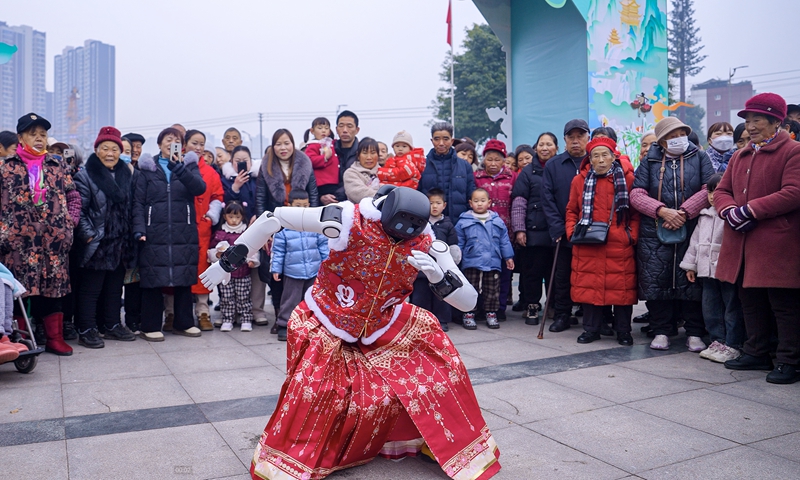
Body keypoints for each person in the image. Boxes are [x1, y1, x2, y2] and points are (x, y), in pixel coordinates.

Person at [200, 186, 501, 480]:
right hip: (328, 318)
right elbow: (274, 218)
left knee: (440, 366)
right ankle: (295, 460)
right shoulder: (347, 219)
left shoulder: (428, 241)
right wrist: (227, 263)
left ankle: (424, 440)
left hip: (384, 322)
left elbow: (468, 302)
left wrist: (438, 277)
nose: (404, 234)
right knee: (317, 391)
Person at [716, 93, 800, 384]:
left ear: (776, 122)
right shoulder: (740, 155)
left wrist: (750, 210)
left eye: (757, 120)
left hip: (777, 243)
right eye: (748, 120)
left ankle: (790, 361)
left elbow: (794, 192)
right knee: (749, 300)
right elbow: (722, 190)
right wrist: (728, 210)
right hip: (742, 243)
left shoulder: (793, 151)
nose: (750, 127)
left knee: (783, 304)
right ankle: (756, 352)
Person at [630, 117, 714, 351]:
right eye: (672, 136)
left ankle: (695, 332)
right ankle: (661, 330)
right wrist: (662, 211)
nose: (679, 139)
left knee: (692, 281)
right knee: (657, 281)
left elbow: (709, 188)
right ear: (662, 141)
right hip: (654, 231)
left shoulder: (700, 157)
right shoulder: (650, 161)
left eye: (681, 134)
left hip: (692, 228)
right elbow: (636, 193)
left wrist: (685, 212)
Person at [0, 113, 79, 356]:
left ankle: (55, 338)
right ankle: (19, 338)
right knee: (18, 291)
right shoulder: (6, 167)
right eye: (32, 134)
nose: (38, 138)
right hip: (17, 243)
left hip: (53, 242)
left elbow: (73, 196)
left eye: (42, 134)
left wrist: (69, 223)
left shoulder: (57, 165)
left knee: (53, 290)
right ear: (20, 137)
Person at [132, 127, 207, 342]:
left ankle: (184, 323)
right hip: (154, 231)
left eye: (176, 140)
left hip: (183, 231)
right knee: (152, 278)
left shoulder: (188, 165)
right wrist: (139, 228)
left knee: (184, 277)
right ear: (159, 144)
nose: (171, 142)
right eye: (168, 139)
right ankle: (150, 326)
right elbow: (138, 202)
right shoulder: (147, 168)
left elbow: (199, 188)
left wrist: (180, 168)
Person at [565, 137, 639, 345]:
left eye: (605, 155)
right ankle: (591, 330)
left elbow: (635, 214)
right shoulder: (579, 181)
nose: (600, 160)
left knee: (622, 289)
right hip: (587, 240)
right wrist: (571, 232)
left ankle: (623, 331)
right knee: (590, 288)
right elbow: (571, 210)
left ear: (614, 156)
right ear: (589, 159)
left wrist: (631, 235)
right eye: (595, 156)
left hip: (619, 241)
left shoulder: (627, 179)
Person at [73, 126, 137, 348]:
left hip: (120, 243)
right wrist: (89, 236)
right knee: (91, 290)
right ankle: (86, 328)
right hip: (98, 242)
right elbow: (79, 211)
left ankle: (111, 325)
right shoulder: (85, 175)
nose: (110, 153)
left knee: (114, 288)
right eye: (105, 148)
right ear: (96, 150)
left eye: (114, 149)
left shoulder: (126, 173)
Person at [679, 173, 744, 363]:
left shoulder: (731, 216)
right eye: (709, 191)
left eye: (717, 191)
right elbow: (694, 243)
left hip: (725, 272)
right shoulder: (704, 215)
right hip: (706, 272)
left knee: (731, 307)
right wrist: (690, 266)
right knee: (710, 307)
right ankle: (717, 340)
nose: (712, 196)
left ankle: (733, 343)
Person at [542, 119, 590, 333]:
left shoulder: (595, 161)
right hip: (563, 232)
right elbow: (547, 199)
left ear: (588, 138)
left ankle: (593, 316)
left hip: (591, 232)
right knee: (562, 276)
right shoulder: (554, 165)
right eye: (571, 137)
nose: (576, 141)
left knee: (588, 275)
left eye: (580, 136)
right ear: (565, 140)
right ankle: (563, 314)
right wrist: (558, 228)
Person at [511, 133, 559, 324]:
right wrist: (519, 229)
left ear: (556, 147)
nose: (544, 148)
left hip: (556, 230)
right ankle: (532, 306)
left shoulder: (560, 167)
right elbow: (519, 201)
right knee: (532, 272)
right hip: (533, 230)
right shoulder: (527, 172)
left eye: (549, 144)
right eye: (541, 144)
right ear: (536, 148)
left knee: (555, 273)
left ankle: (553, 306)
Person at [270, 190, 329, 341]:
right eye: (298, 205)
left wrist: (327, 264)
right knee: (290, 300)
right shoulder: (284, 226)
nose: (302, 208)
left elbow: (323, 245)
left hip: (314, 270)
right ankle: (284, 324)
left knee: (313, 299)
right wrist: (276, 268)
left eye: (304, 205)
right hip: (292, 271)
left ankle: (311, 325)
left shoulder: (315, 224)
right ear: (289, 205)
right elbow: (278, 250)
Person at [456, 188, 515, 330]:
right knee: (470, 289)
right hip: (471, 262)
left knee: (492, 289)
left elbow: (504, 241)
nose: (479, 204)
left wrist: (508, 257)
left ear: (489, 202)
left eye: (483, 201)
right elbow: (459, 243)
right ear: (470, 203)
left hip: (492, 262)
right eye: (476, 201)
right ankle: (469, 313)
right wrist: (456, 259)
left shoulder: (497, 221)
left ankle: (491, 313)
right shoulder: (463, 221)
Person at [185, 130, 224, 331]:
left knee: (202, 269)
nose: (199, 148)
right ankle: (172, 312)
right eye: (195, 143)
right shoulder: (177, 167)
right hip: (180, 227)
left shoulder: (210, 172)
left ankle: (203, 312)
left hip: (202, 228)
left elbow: (218, 197)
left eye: (202, 144)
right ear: (185, 144)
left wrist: (211, 215)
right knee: (179, 270)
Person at [474, 139, 517, 319]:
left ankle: (499, 308)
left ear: (504, 160)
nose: (493, 163)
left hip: (504, 235)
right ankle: (481, 307)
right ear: (483, 159)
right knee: (481, 274)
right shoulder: (476, 177)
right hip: (480, 235)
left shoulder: (512, 177)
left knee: (504, 273)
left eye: (497, 159)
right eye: (489, 159)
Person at [410, 188, 461, 332]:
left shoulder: (447, 224)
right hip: (423, 267)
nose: (434, 206)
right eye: (431, 203)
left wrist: (453, 262)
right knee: (421, 296)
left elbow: (453, 244)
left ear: (444, 205)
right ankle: (420, 321)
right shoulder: (421, 222)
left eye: (438, 203)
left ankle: (441, 320)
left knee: (441, 295)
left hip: (441, 268)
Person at [210, 202, 258, 332]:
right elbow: (212, 250)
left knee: (244, 297)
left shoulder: (246, 233)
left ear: (242, 217)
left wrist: (253, 261)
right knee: (226, 298)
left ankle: (246, 319)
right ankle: (227, 319)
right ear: (225, 216)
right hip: (225, 273)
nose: (234, 220)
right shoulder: (220, 233)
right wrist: (216, 254)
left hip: (243, 272)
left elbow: (253, 249)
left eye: (237, 217)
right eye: (231, 217)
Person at [418, 122, 476, 220]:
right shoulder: (422, 165)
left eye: (445, 139)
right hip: (429, 221)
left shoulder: (465, 166)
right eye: (437, 139)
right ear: (432, 141)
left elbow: (471, 195)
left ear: (452, 141)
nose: (441, 143)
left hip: (459, 221)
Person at [255, 128, 319, 213]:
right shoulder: (266, 165)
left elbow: (313, 194)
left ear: (292, 144)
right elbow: (260, 197)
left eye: (286, 143)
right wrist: (262, 219)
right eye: (278, 144)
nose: (283, 148)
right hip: (275, 214)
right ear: (273, 147)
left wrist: (313, 215)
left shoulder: (305, 163)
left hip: (301, 214)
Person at [304, 117, 340, 202]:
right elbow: (310, 160)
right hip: (323, 183)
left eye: (326, 128)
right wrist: (324, 158)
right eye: (320, 128)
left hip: (335, 182)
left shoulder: (332, 143)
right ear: (312, 131)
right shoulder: (312, 145)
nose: (323, 131)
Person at [222, 145, 259, 222]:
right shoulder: (225, 180)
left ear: (251, 161)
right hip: (236, 223)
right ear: (231, 162)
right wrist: (235, 188)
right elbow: (224, 203)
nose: (242, 163)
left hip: (257, 220)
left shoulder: (259, 178)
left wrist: (258, 215)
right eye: (238, 161)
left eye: (245, 160)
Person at [332, 110, 360, 203]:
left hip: (355, 202)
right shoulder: (328, 150)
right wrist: (322, 196)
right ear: (336, 129)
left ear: (357, 130)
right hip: (328, 202)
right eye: (341, 126)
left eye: (349, 126)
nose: (344, 130)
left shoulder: (362, 153)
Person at [343, 137, 381, 203]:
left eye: (372, 153)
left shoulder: (385, 172)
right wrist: (384, 197)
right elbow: (358, 193)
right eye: (365, 153)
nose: (369, 157)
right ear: (358, 156)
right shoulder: (350, 173)